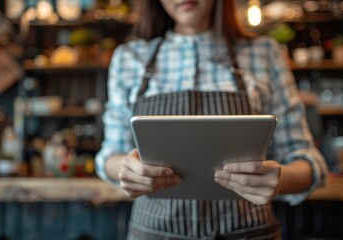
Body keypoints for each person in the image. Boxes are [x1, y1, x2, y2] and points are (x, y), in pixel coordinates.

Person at [96, 0, 328, 239]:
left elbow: (308, 160)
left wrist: (280, 179)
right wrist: (125, 168)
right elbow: (110, 154)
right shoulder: (128, 59)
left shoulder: (264, 53)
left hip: (249, 232)